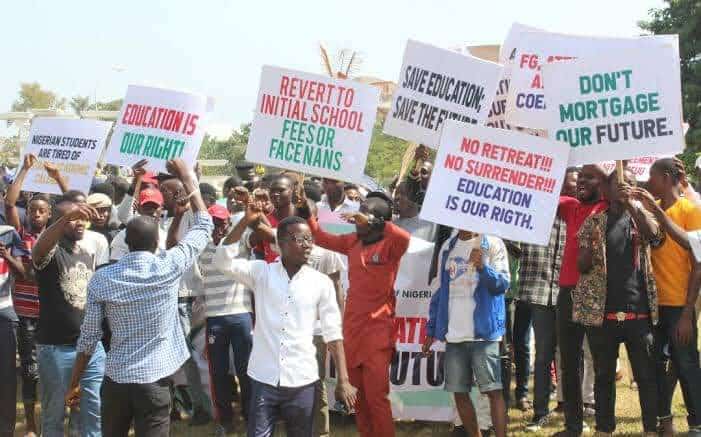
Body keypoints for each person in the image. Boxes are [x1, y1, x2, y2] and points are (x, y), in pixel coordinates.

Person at [65, 159, 213, 436]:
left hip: (116, 381)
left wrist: (75, 381)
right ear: (156, 242)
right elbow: (204, 226)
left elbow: (88, 338)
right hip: (154, 383)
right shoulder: (168, 266)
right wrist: (188, 178)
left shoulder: (103, 278)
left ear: (127, 243)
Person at [214, 207, 358, 437]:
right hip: (263, 377)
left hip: (302, 379)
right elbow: (222, 261)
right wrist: (244, 222)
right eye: (300, 239)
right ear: (280, 243)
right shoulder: (262, 273)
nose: (308, 245)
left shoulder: (320, 283)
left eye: (310, 239)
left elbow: (333, 333)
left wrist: (344, 380)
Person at [297, 191, 410, 437]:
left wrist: (374, 220)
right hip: (352, 333)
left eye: (365, 212)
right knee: (357, 400)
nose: (357, 219)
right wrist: (306, 213)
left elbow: (403, 236)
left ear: (377, 220)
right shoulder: (352, 242)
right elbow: (319, 237)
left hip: (378, 335)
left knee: (377, 399)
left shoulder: (390, 244)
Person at [576, 169, 661, 436]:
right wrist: (590, 245)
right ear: (607, 190)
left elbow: (655, 237)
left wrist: (633, 207)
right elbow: (581, 265)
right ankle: (604, 428)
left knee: (646, 376)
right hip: (604, 316)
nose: (624, 188)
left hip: (639, 313)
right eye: (618, 184)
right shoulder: (594, 222)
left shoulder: (641, 219)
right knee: (604, 378)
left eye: (629, 184)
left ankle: (650, 427)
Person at [633, 158, 701, 436]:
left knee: (686, 364)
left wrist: (687, 313)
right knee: (657, 366)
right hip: (654, 305)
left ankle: (696, 423)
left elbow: (697, 259)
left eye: (652, 176)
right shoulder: (656, 210)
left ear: (666, 177)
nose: (649, 182)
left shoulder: (691, 210)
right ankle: (665, 420)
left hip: (679, 305)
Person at [422, 228, 510, 437]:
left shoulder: (494, 243)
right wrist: (431, 330)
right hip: (454, 335)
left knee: (493, 391)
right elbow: (439, 293)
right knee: (459, 392)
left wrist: (483, 267)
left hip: (483, 335)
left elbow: (503, 285)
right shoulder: (448, 247)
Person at [32, 197, 105, 437]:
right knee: (54, 415)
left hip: (90, 350)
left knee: (90, 413)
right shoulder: (48, 254)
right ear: (58, 222)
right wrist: (66, 217)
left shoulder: (86, 252)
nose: (80, 223)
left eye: (82, 218)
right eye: (73, 219)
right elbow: (40, 247)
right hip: (56, 350)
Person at [521, 167, 577, 431]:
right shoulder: (535, 212)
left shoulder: (580, 215)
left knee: (570, 356)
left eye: (578, 182)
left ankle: (572, 414)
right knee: (543, 355)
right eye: (571, 182)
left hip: (570, 293)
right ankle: (540, 413)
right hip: (540, 292)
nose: (575, 186)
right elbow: (516, 242)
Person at [4, 154, 55, 437]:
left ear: (50, 214)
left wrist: (58, 177)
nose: (35, 214)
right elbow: (10, 203)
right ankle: (32, 425)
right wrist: (24, 169)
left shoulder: (58, 237)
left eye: (41, 211)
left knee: (51, 370)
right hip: (25, 314)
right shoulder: (19, 235)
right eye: (32, 210)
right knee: (29, 369)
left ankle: (50, 419)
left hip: (51, 315)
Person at [555, 164, 608, 437]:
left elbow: (617, 188)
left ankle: (604, 423)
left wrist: (600, 168)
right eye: (580, 178)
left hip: (595, 292)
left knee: (600, 360)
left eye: (589, 178)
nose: (581, 182)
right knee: (568, 360)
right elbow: (543, 194)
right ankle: (573, 426)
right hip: (567, 292)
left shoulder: (608, 208)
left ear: (602, 182)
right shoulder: (571, 206)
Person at [198, 204, 253, 434]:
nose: (217, 227)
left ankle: (251, 416)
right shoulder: (200, 246)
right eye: (213, 223)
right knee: (218, 372)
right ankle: (225, 419)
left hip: (241, 314)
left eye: (221, 222)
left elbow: (256, 232)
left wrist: (252, 214)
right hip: (215, 317)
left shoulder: (241, 242)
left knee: (246, 369)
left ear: (229, 223)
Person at [303, 200, 346, 437]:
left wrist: (336, 325)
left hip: (317, 330)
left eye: (305, 215)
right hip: (291, 329)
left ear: (315, 218)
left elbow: (337, 287)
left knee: (315, 382)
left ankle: (321, 432)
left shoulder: (327, 252)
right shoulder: (286, 248)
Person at [0, 210, 30, 437]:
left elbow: (22, 273)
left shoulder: (9, 233)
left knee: (6, 376)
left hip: (3, 312)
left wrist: (7, 255)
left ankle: (6, 428)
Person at [110, 188, 166, 261]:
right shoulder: (123, 235)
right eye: (147, 207)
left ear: (162, 209)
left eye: (155, 207)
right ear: (138, 208)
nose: (151, 211)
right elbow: (115, 263)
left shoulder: (165, 236)